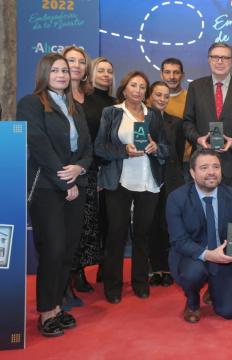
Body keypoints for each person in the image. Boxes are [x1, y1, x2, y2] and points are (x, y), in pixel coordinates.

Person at [17, 53, 92, 336]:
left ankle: (58, 308)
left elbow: (87, 148)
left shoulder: (74, 106)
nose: (62, 74)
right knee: (53, 248)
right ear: (44, 73)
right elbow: (39, 146)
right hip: (48, 187)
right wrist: (66, 180)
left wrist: (80, 169)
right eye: (56, 70)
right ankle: (46, 311)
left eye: (65, 69)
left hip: (76, 184)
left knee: (68, 250)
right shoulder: (31, 103)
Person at [94, 71, 169, 304]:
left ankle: (140, 282)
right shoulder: (112, 113)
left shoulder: (154, 115)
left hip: (148, 182)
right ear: (124, 89)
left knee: (142, 235)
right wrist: (123, 151)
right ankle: (113, 286)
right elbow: (99, 147)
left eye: (142, 86)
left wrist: (156, 148)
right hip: (119, 182)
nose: (137, 90)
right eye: (133, 85)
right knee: (116, 234)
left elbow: (167, 149)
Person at [166, 148, 232, 323]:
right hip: (193, 257)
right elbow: (179, 241)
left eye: (215, 167)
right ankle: (192, 300)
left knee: (229, 311)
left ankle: (214, 286)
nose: (211, 172)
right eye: (204, 168)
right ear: (192, 173)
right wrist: (209, 255)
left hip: (224, 258)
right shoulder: (177, 198)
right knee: (193, 273)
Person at [71, 56, 116, 294]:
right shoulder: (83, 100)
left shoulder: (116, 102)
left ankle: (104, 267)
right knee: (85, 223)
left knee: (107, 221)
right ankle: (77, 271)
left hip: (109, 168)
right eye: (101, 70)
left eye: (110, 71)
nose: (106, 75)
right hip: (87, 167)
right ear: (91, 72)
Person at [183, 42, 232, 191]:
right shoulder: (195, 86)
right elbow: (187, 122)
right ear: (209, 60)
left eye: (225, 58)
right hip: (202, 164)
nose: (220, 61)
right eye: (215, 57)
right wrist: (198, 138)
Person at [62, 45, 93, 304]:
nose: (75, 65)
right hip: (62, 176)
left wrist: (83, 167)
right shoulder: (49, 99)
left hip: (88, 170)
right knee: (61, 234)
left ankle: (76, 274)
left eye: (80, 61)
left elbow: (88, 141)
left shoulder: (89, 98)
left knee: (82, 229)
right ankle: (62, 286)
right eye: (70, 60)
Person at [147, 81, 185, 287]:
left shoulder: (176, 123)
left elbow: (177, 153)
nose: (162, 99)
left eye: (166, 96)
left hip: (171, 179)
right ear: (150, 96)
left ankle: (168, 267)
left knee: (169, 224)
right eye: (158, 95)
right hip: (148, 179)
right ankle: (154, 268)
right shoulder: (141, 119)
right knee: (151, 224)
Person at [160, 57, 191, 179]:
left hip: (184, 162)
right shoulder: (150, 100)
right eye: (167, 72)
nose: (171, 77)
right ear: (161, 74)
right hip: (157, 159)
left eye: (176, 72)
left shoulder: (190, 99)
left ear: (182, 75)